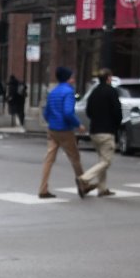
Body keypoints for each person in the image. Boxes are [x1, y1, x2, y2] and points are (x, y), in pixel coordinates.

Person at [38, 65, 86, 199]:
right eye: (72, 77)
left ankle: (43, 188)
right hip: (65, 130)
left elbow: (46, 112)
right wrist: (78, 125)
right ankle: (83, 183)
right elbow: (68, 112)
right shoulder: (68, 92)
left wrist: (52, 121)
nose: (73, 79)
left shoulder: (53, 92)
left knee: (49, 159)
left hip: (52, 129)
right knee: (75, 158)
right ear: (68, 79)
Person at [77, 68, 122, 198]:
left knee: (102, 160)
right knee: (106, 161)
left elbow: (89, 111)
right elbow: (117, 111)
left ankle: (102, 189)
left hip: (94, 130)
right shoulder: (111, 92)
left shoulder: (94, 92)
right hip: (107, 131)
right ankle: (84, 179)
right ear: (108, 78)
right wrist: (116, 125)